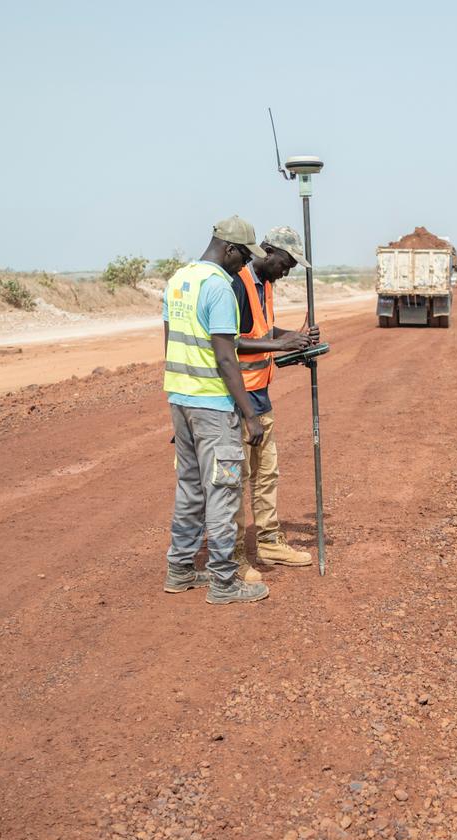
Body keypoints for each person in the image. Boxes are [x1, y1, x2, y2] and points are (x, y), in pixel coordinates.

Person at [162, 215, 271, 605]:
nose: (244, 265)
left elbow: (169, 343)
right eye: (243, 257)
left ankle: (180, 570)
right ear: (229, 249)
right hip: (212, 408)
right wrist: (249, 414)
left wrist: (180, 406)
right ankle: (224, 582)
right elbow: (227, 357)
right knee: (223, 489)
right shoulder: (219, 288)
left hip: (181, 402)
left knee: (190, 488)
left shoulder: (177, 281)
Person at [229, 226, 318, 583]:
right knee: (238, 478)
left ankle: (268, 541)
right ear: (267, 250)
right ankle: (234, 555)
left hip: (260, 396)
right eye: (286, 262)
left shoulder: (265, 285)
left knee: (267, 474)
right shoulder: (237, 284)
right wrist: (281, 345)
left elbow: (261, 332)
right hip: (237, 400)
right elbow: (229, 342)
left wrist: (294, 338)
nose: (288, 270)